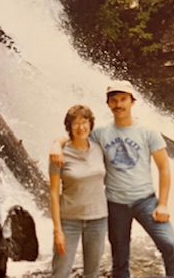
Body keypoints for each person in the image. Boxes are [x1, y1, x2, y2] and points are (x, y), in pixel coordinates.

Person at [50, 81, 174, 277]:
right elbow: (75, 133)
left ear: (132, 102)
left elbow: (164, 168)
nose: (118, 104)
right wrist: (56, 144)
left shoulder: (148, 132)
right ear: (108, 104)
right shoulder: (100, 133)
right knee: (120, 258)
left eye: (123, 99)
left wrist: (162, 204)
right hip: (114, 204)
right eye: (113, 101)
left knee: (170, 245)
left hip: (145, 201)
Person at [49, 104, 108, 278]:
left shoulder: (100, 148)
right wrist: (57, 230)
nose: (81, 127)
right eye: (75, 123)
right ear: (69, 127)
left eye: (85, 122)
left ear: (90, 124)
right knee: (60, 272)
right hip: (69, 221)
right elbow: (53, 193)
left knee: (92, 273)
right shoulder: (59, 155)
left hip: (98, 219)